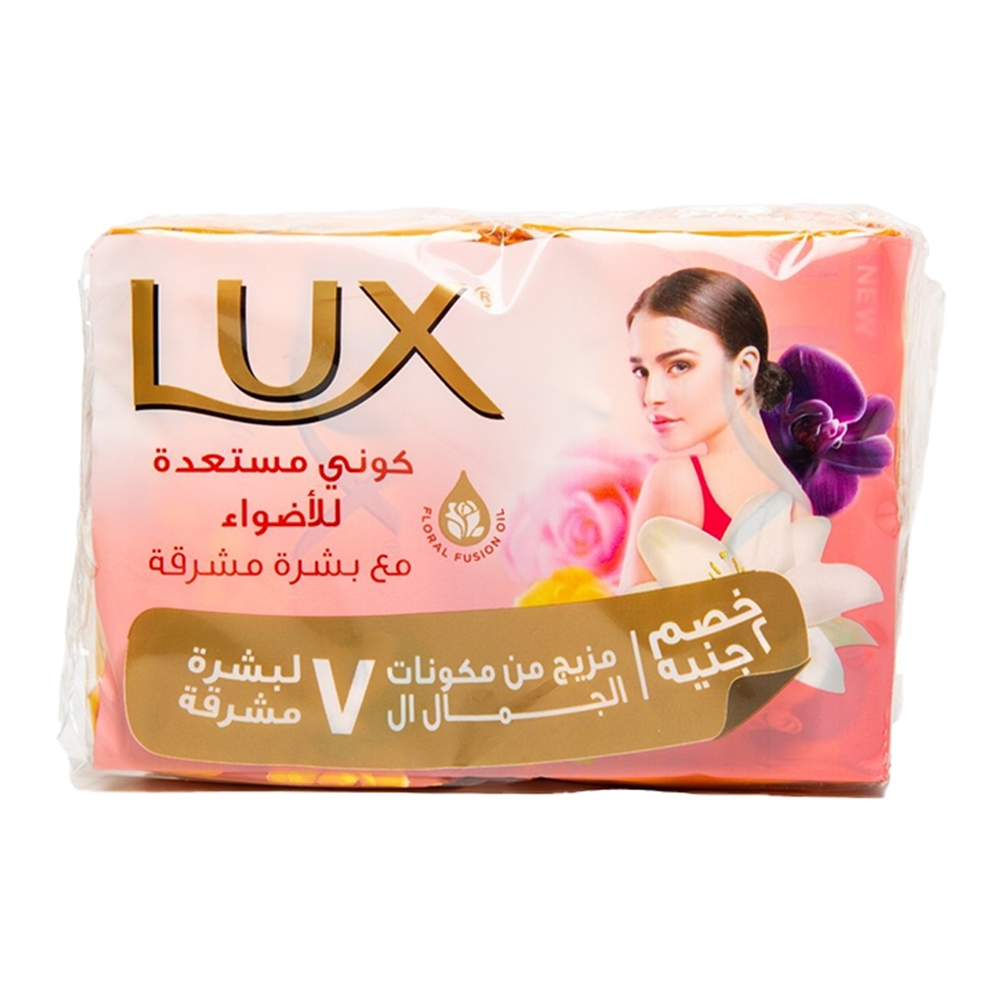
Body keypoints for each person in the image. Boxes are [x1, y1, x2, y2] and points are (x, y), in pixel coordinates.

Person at [620, 268, 810, 588]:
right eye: (642, 371)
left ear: (744, 368)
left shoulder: (675, 479)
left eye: (679, 366)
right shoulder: (797, 502)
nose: (652, 396)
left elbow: (627, 616)